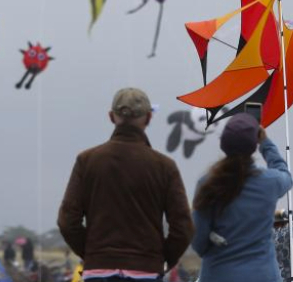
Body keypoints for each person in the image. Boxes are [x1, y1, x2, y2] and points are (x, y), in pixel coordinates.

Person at [58, 87, 194, 281]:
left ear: (111, 117)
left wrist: (92, 254)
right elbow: (183, 227)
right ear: (148, 118)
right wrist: (161, 260)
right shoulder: (165, 167)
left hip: (98, 269)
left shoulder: (87, 161)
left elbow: (67, 221)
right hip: (146, 270)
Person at [191, 113, 293, 282]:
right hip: (262, 275)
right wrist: (266, 144)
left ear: (224, 144)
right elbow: (286, 175)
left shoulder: (207, 184)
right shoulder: (269, 182)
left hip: (219, 275)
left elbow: (199, 242)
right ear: (253, 145)